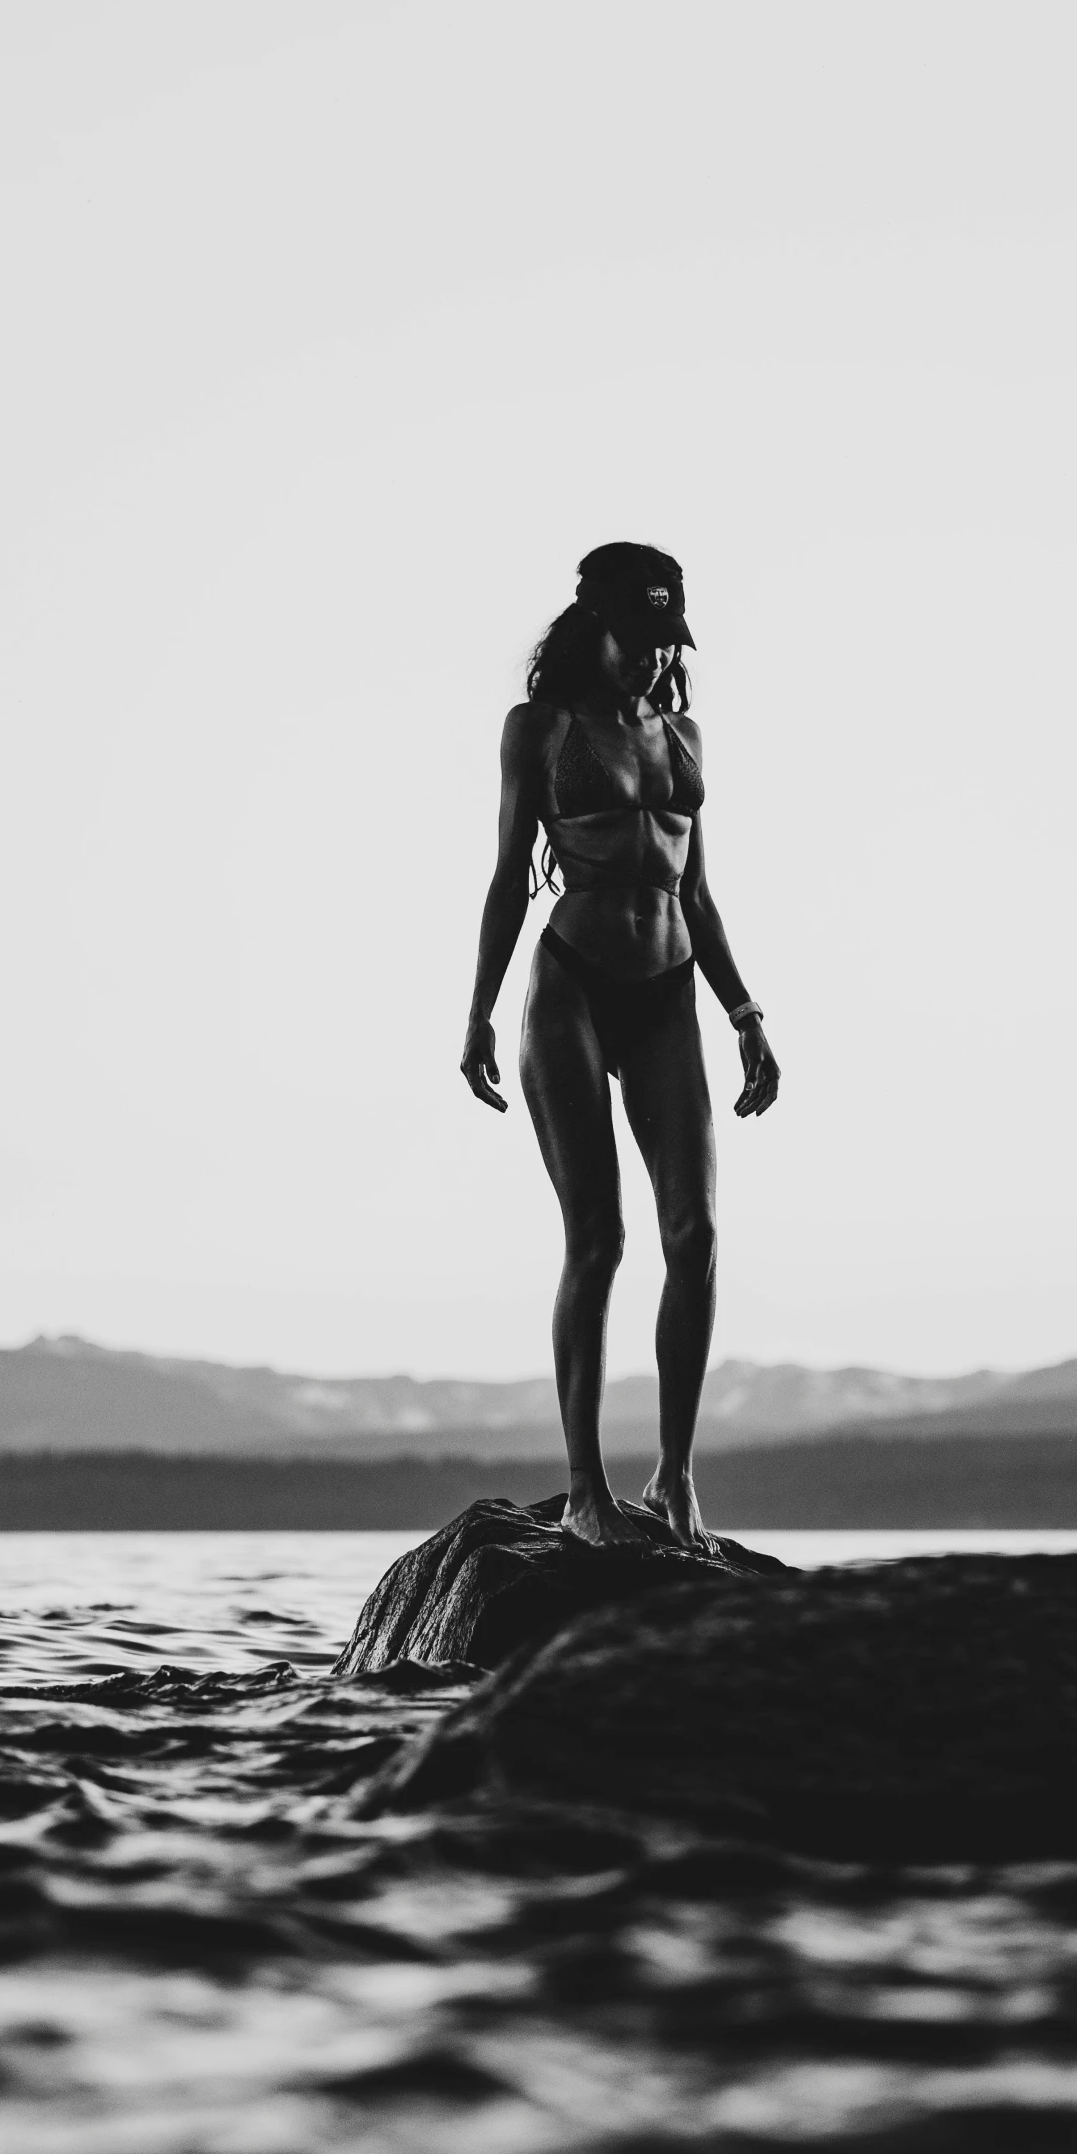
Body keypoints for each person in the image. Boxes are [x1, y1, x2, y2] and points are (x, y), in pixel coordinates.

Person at [461, 543, 780, 1548]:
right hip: (571, 985)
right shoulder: (542, 727)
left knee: (696, 1234)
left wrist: (745, 1014)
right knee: (596, 1240)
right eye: (632, 639)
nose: (649, 659)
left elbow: (695, 891)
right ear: (589, 627)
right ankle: (587, 1494)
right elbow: (512, 872)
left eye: (662, 641)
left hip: (668, 992)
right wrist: (474, 1011)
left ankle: (675, 1479)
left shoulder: (681, 733)